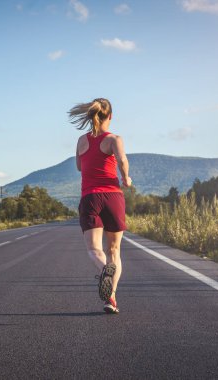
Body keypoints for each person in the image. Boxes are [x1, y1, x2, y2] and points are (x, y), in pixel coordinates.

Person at [68, 98, 132, 314]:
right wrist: (126, 177)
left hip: (90, 198)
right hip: (113, 196)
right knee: (114, 250)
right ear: (111, 116)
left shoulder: (80, 141)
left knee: (94, 249)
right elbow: (122, 159)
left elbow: (79, 166)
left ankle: (105, 273)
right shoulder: (114, 139)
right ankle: (110, 298)